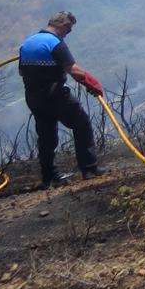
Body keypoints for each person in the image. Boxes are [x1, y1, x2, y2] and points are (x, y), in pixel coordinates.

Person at [18, 11, 106, 188]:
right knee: (81, 124)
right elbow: (73, 70)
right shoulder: (56, 44)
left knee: (46, 135)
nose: (69, 33)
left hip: (33, 97)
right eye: (70, 28)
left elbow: (21, 71)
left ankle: (49, 177)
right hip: (55, 95)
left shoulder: (27, 43)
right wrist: (92, 83)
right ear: (64, 25)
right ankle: (89, 169)